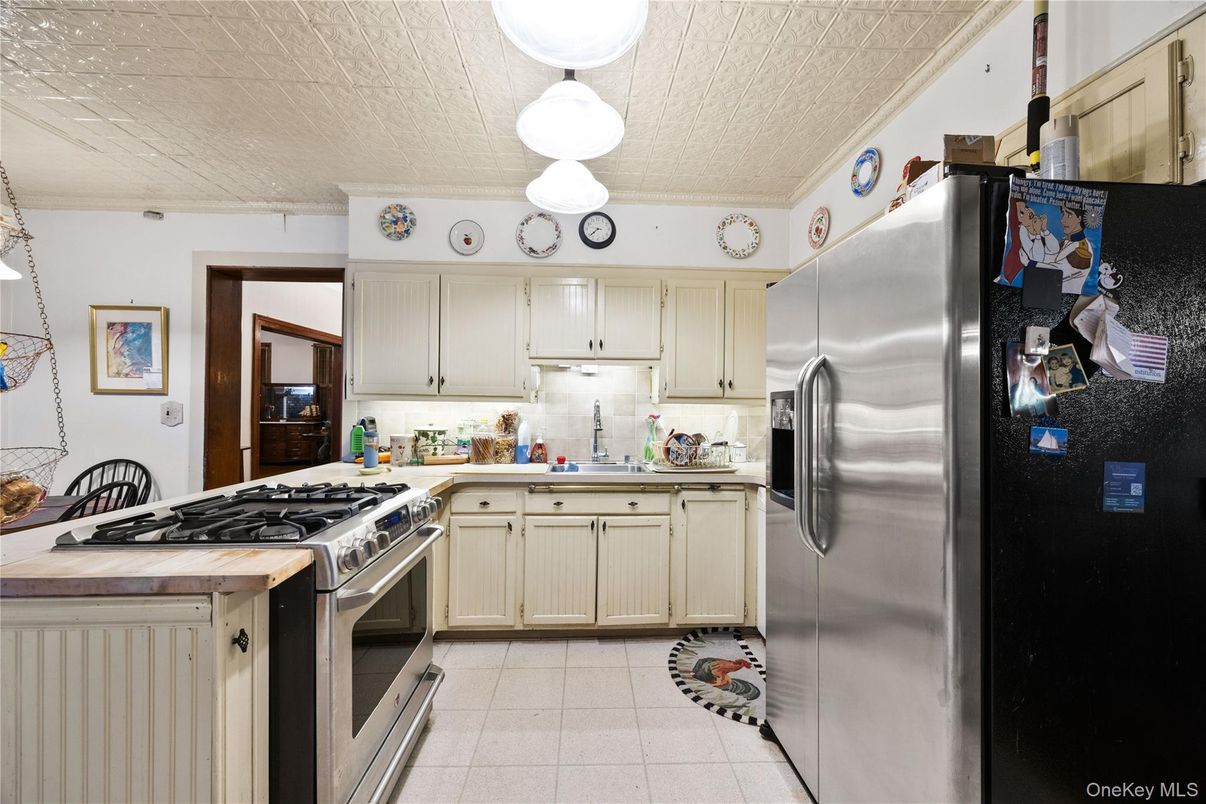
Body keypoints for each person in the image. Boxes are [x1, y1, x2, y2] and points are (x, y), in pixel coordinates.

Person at [1051, 204, 1095, 293]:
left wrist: (1031, 263)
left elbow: (1057, 269)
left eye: (1069, 215)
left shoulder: (1083, 249)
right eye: (1063, 214)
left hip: (1065, 297)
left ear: (1080, 218)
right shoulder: (1066, 241)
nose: (1063, 220)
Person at [1016, 200, 1059, 271]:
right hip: (1042, 271)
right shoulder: (1024, 234)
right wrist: (1038, 233)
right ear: (1020, 222)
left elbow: (1055, 249)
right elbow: (1037, 258)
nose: (1028, 211)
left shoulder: (1038, 227)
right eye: (1022, 213)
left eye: (1026, 207)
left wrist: (1045, 229)